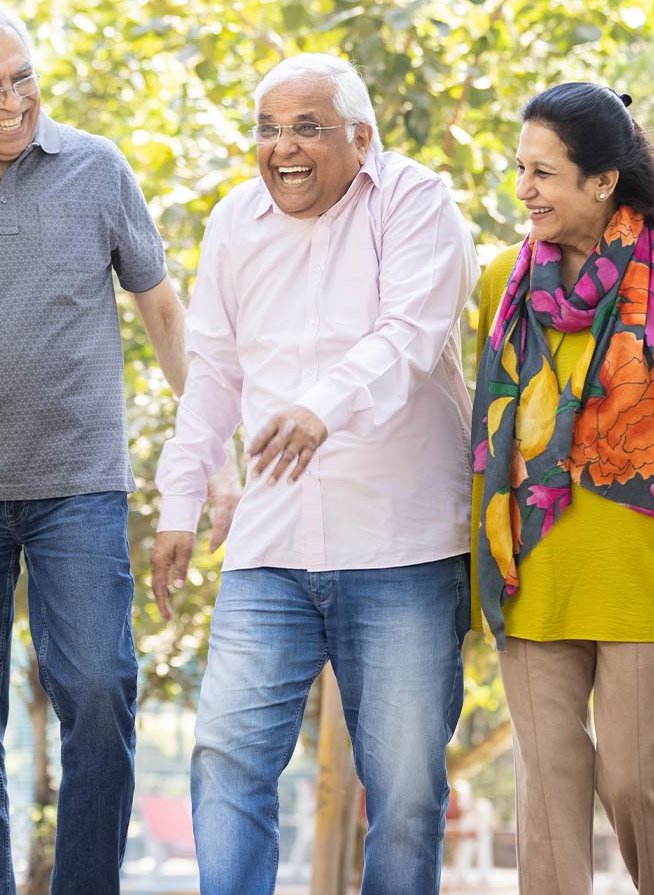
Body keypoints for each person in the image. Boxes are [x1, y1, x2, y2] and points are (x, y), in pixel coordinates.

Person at [0, 0, 232, 895]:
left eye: (22, 76)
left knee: (103, 692)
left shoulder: (97, 169)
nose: (11, 100)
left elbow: (165, 315)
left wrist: (215, 448)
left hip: (79, 484)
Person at [152, 53, 478, 895]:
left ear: (361, 139)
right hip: (271, 545)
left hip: (402, 545)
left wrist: (322, 405)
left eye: (307, 128)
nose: (282, 148)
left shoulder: (417, 201)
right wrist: (180, 503)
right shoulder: (234, 221)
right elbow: (212, 371)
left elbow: (409, 332)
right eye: (267, 128)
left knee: (405, 791)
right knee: (226, 758)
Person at [471, 81, 654, 895]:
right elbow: (484, 438)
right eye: (521, 170)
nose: (524, 190)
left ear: (603, 181)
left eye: (544, 173)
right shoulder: (498, 287)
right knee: (546, 812)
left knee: (639, 792)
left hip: (651, 589)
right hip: (534, 580)